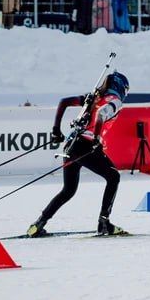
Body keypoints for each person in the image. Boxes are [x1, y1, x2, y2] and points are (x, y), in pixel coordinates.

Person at [27, 71, 131, 237]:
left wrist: (56, 130)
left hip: (71, 145)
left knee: (68, 190)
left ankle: (38, 224)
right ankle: (104, 223)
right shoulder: (115, 101)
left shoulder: (93, 97)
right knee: (113, 177)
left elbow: (64, 102)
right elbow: (102, 115)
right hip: (86, 146)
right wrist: (96, 138)